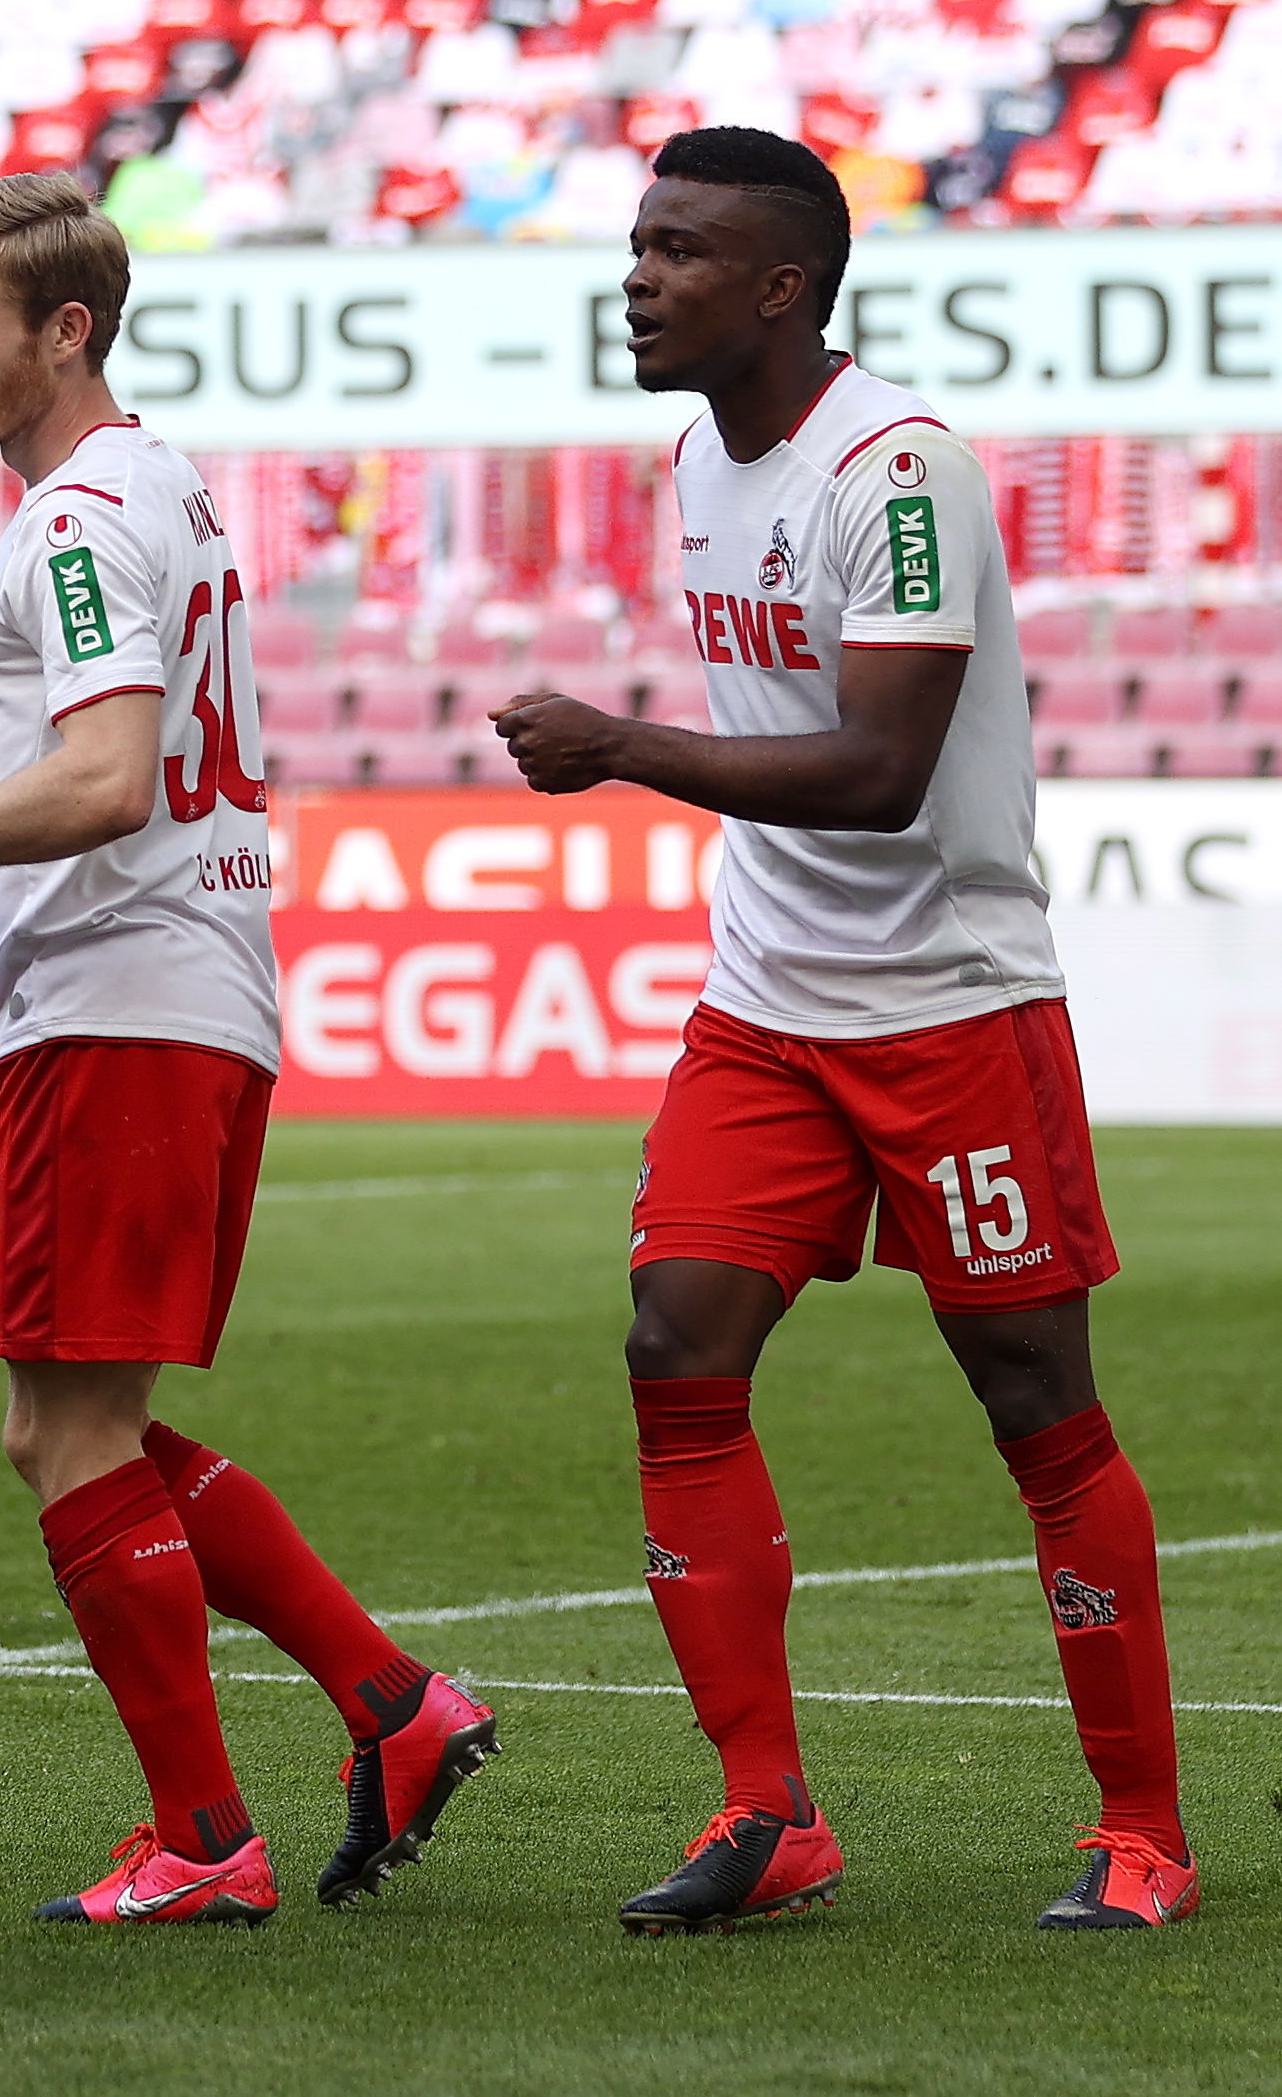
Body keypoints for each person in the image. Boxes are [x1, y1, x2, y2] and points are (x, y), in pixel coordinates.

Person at [493, 126, 1190, 1934]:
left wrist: (621, 745)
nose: (637, 276)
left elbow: (881, 771)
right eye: (638, 242)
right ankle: (765, 1809)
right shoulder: (693, 458)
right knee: (673, 1343)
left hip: (948, 1000)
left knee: (1032, 1396)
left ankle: (1140, 1830)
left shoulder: (895, 471)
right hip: (764, 1003)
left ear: (781, 285)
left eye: (678, 250)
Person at [0, 172, 497, 1930]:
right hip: (160, 993)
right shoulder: (156, 482)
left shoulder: (78, 519)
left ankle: (203, 1835)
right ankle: (392, 1701)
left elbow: (105, 777)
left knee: (73, 1432)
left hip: (118, 999)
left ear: (65, 329)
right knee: (59, 1422)